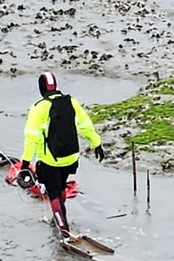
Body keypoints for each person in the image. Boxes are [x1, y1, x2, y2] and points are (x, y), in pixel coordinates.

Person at [16, 71, 106, 237]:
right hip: (71, 157)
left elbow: (31, 138)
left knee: (53, 193)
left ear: (41, 89)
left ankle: (64, 229)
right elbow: (85, 125)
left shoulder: (39, 108)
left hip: (50, 160)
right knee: (61, 185)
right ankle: (57, 217)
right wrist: (96, 143)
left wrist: (25, 164)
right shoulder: (71, 102)